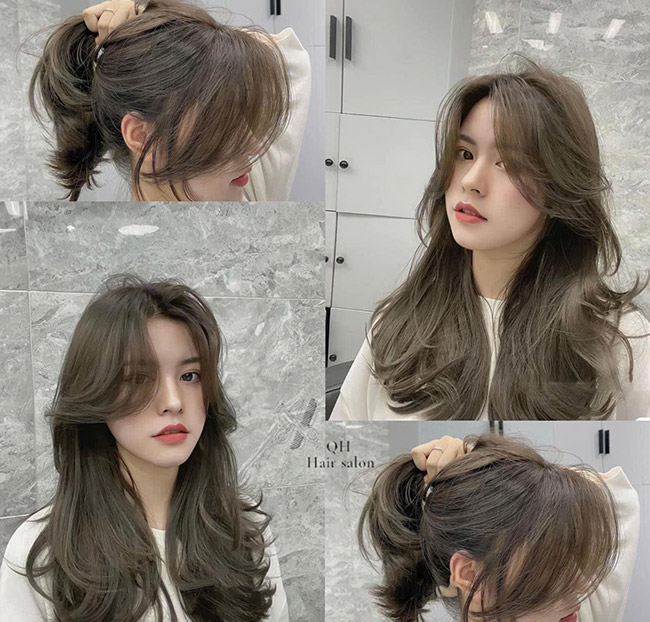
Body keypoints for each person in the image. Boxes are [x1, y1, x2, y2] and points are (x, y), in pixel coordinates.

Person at [331, 57, 650, 421]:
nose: (471, 180)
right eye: (464, 154)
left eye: (509, 164)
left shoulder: (620, 342)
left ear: (560, 185)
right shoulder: (400, 323)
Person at [0, 275, 289, 622]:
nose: (173, 402)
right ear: (96, 391)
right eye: (139, 378)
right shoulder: (41, 553)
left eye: (190, 376)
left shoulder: (244, 531)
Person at [29, 0, 311, 202]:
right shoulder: (247, 188)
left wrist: (153, 13)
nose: (254, 144)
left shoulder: (247, 188)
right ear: (141, 135)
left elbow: (289, 60)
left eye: (244, 117)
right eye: (222, 122)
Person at [359, 434, 639, 622]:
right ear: (470, 574)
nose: (584, 583)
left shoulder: (578, 612)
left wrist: (479, 464)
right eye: (551, 561)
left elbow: (618, 499)